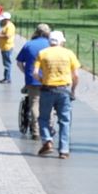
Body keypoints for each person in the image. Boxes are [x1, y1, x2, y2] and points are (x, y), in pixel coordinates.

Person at [33, 30, 80, 159]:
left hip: (47, 89)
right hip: (64, 90)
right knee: (64, 120)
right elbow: (76, 75)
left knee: (43, 118)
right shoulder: (69, 53)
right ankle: (64, 150)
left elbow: (35, 73)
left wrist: (42, 80)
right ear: (61, 42)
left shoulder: (43, 53)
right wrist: (73, 90)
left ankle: (47, 140)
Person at [16, 24, 52, 140]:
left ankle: (36, 130)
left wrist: (26, 72)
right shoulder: (51, 45)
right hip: (49, 79)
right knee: (48, 104)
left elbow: (19, 63)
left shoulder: (29, 44)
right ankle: (48, 127)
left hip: (32, 79)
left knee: (34, 104)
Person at [0, 12, 16, 83]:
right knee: (5, 63)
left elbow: (7, 36)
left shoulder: (10, 26)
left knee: (7, 63)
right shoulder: (6, 26)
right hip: (4, 47)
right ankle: (6, 77)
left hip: (7, 47)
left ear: (7, 19)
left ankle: (7, 78)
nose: (1, 21)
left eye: (3, 19)